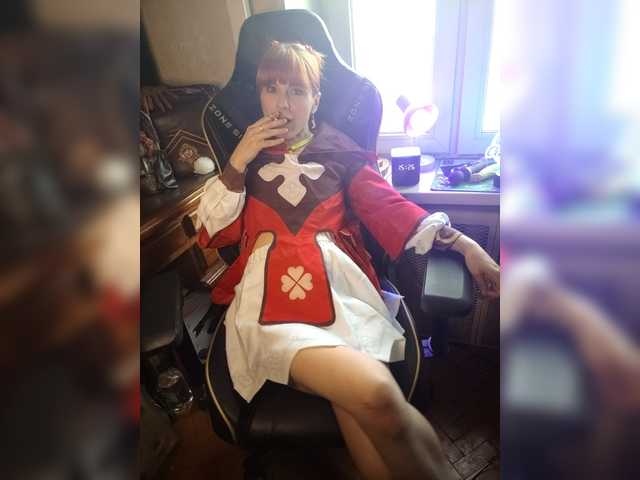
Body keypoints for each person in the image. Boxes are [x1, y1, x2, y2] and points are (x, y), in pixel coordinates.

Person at [196, 41, 499, 480]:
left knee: (363, 411)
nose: (282, 103)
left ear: (316, 98)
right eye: (271, 88)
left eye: (296, 90)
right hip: (270, 310)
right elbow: (212, 231)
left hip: (345, 301)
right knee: (377, 395)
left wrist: (467, 246)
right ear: (259, 94)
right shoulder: (243, 160)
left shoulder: (341, 153)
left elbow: (394, 210)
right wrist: (238, 161)